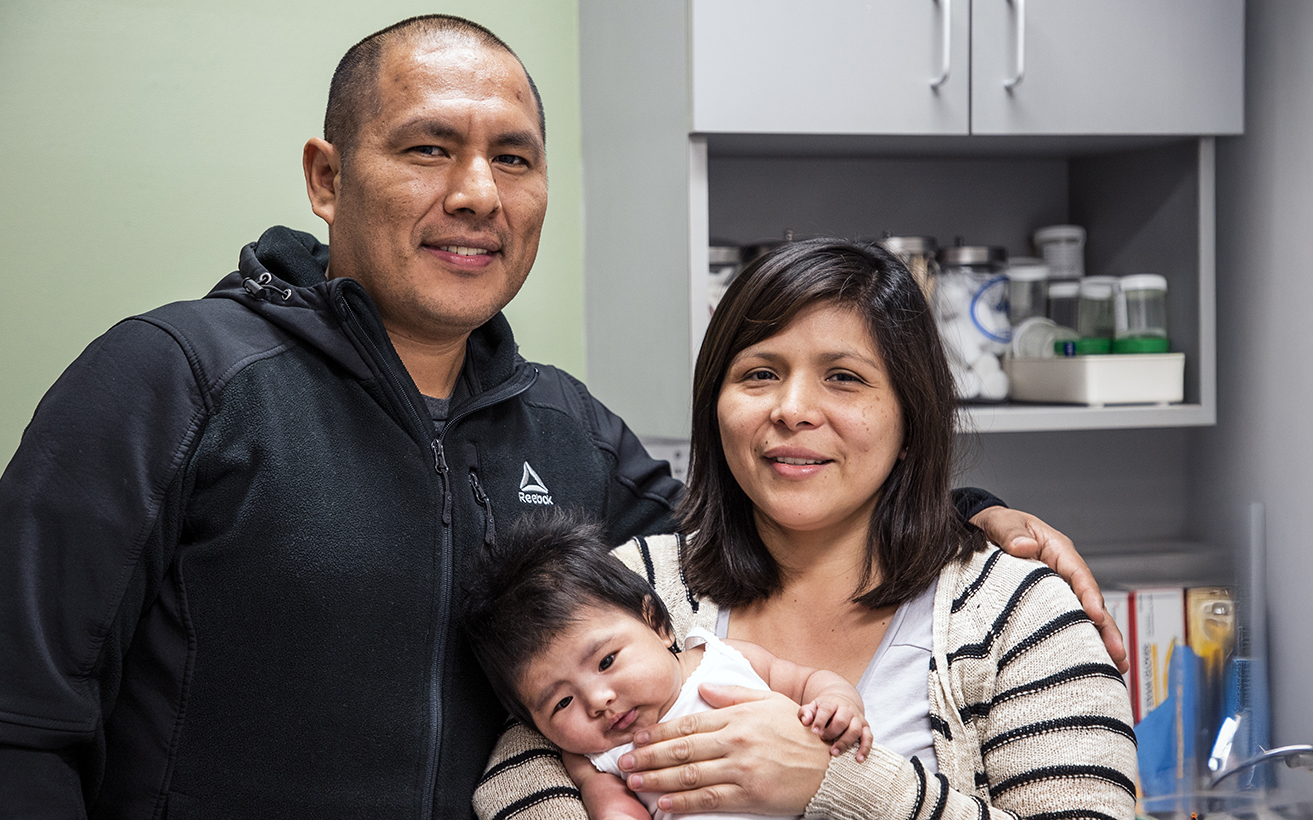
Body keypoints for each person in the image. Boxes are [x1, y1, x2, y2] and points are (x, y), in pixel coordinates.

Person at [0, 14, 1121, 819]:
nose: (476, 194)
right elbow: (13, 725)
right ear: (324, 175)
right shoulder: (168, 378)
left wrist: (968, 512)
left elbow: (759, 513)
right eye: (427, 148)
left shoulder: (564, 429)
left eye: (514, 157)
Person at [474, 240, 1137, 820]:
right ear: (715, 407)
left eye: (843, 378)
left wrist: (832, 781)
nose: (792, 410)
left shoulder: (1018, 613)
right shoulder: (634, 582)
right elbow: (521, 766)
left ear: (911, 419)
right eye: (759, 374)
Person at [462, 508, 872, 820]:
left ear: (657, 623)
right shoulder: (595, 757)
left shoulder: (722, 658)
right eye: (561, 703)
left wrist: (837, 702)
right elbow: (606, 798)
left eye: (606, 661)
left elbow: (807, 682)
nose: (599, 701)